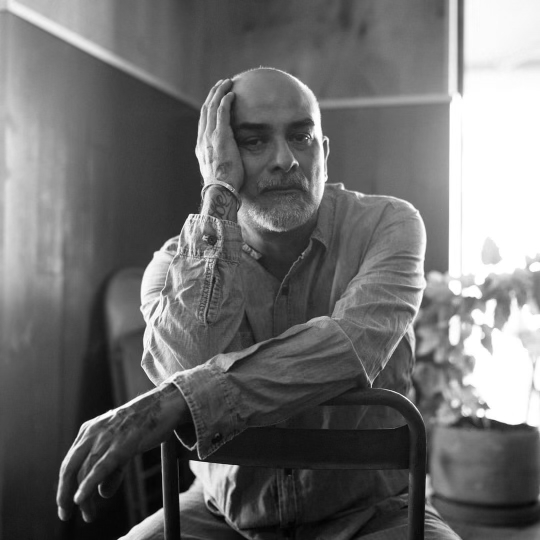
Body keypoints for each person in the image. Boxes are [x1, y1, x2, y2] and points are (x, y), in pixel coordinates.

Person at [57, 67, 461, 539]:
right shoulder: (174, 265)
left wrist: (181, 400)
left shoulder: (389, 226)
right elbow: (184, 366)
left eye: (302, 137)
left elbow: (351, 345)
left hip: (374, 515)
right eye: (253, 141)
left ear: (324, 155)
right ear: (215, 160)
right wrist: (219, 198)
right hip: (219, 515)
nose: (285, 160)